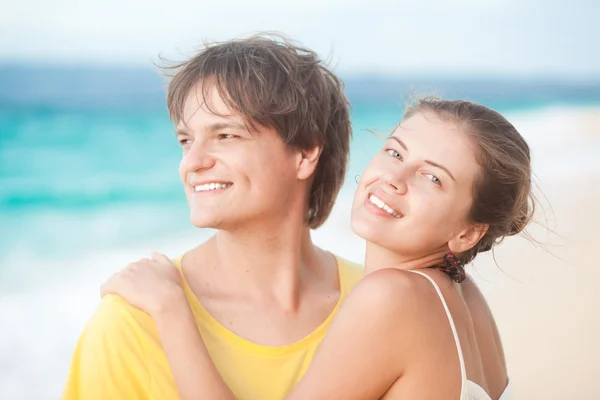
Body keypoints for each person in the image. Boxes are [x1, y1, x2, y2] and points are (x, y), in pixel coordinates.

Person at [102, 97, 532, 399]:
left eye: (432, 177)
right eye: (395, 152)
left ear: (468, 234)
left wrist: (170, 307)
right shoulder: (463, 298)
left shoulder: (394, 297)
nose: (393, 179)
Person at [62, 33, 363, 400]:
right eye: (186, 140)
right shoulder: (133, 321)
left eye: (225, 135)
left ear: (304, 154)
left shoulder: (377, 305)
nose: (193, 162)